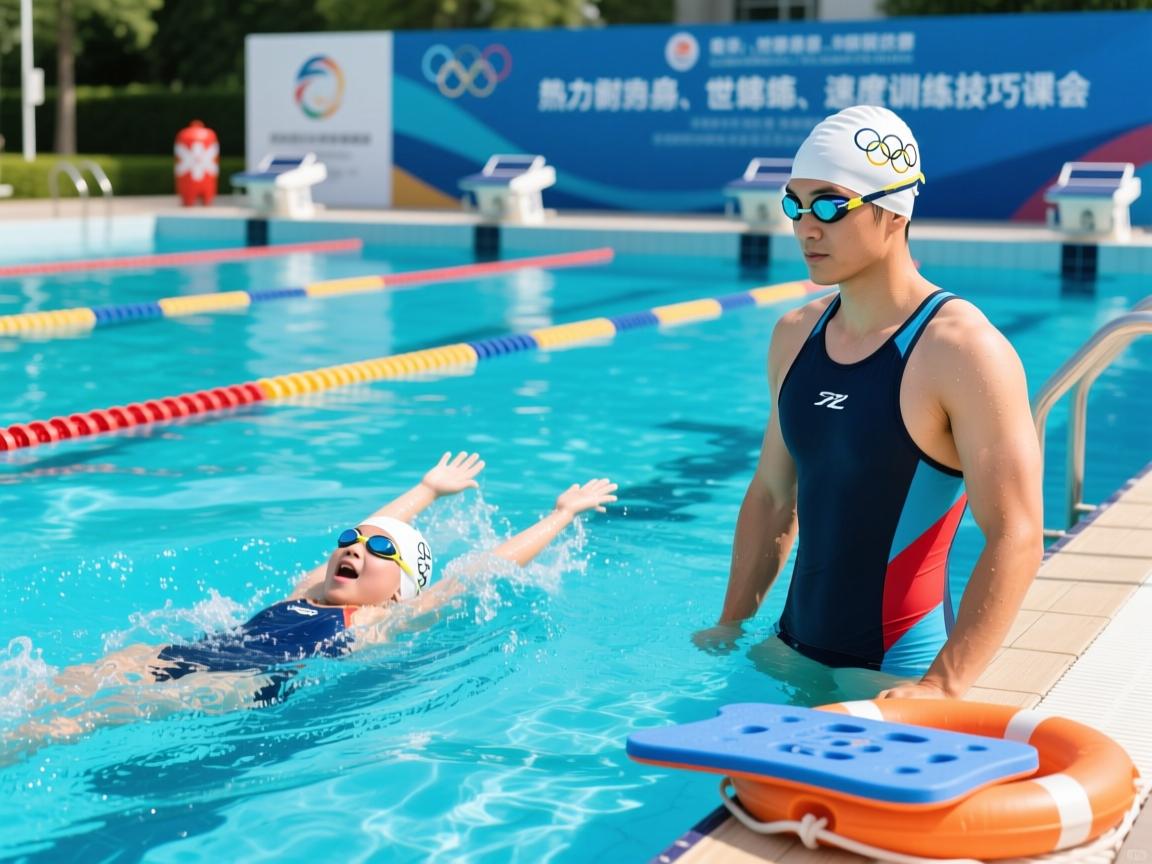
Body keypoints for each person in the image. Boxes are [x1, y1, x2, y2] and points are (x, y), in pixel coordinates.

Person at [698, 105, 1043, 700]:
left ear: (893, 211)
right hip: (785, 652)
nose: (806, 227)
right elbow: (773, 495)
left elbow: (1015, 532)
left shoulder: (962, 351)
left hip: (894, 674)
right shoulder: (794, 335)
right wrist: (731, 624)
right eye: (794, 205)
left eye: (830, 205)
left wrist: (944, 684)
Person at [13, 452, 617, 745]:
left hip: (251, 682)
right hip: (199, 648)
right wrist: (427, 491)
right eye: (348, 543)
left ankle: (24, 744)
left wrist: (561, 515)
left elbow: (488, 566)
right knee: (87, 674)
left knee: (87, 717)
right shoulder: (311, 591)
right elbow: (375, 520)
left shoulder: (385, 618)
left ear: (402, 585)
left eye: (378, 550)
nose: (355, 548)